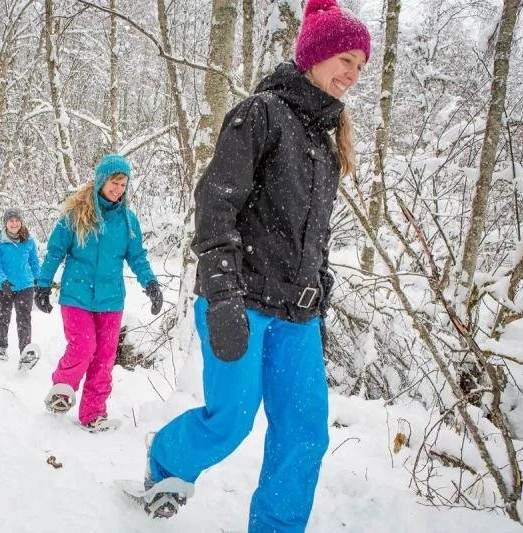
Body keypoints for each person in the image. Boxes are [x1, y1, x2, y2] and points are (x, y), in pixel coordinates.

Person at [139, 0, 371, 530]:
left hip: (298, 316)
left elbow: (316, 230)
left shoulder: (327, 143)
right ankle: (166, 462)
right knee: (231, 421)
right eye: (345, 58)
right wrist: (221, 296)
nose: (352, 75)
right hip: (240, 301)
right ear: (314, 53)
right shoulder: (261, 114)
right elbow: (216, 206)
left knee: (305, 432)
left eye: (360, 66)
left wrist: (322, 281)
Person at [35, 153, 164, 432]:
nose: (118, 189)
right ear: (101, 181)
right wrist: (43, 283)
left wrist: (151, 284)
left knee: (105, 357)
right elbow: (56, 250)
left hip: (111, 299)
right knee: (83, 345)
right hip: (76, 295)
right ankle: (62, 389)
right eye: (114, 182)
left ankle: (93, 413)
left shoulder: (128, 220)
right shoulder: (76, 214)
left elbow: (137, 256)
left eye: (123, 184)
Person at [0, 207, 41, 362]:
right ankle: (1, 347)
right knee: (3, 318)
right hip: (4, 286)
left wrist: (38, 280)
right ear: (6, 223)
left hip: (25, 286)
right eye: (11, 220)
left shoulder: (29, 241)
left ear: (21, 222)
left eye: (17, 220)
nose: (14, 223)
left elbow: (34, 263)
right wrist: (2, 280)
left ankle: (25, 351)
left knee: (24, 319)